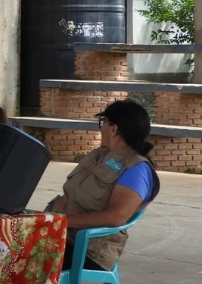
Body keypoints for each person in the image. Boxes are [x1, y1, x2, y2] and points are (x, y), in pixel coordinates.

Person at [46, 99, 160, 272]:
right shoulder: (100, 156)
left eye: (103, 122)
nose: (101, 129)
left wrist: (60, 222)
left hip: (88, 248)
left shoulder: (136, 168)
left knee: (18, 258)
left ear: (113, 129)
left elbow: (116, 217)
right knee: (7, 239)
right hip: (62, 234)